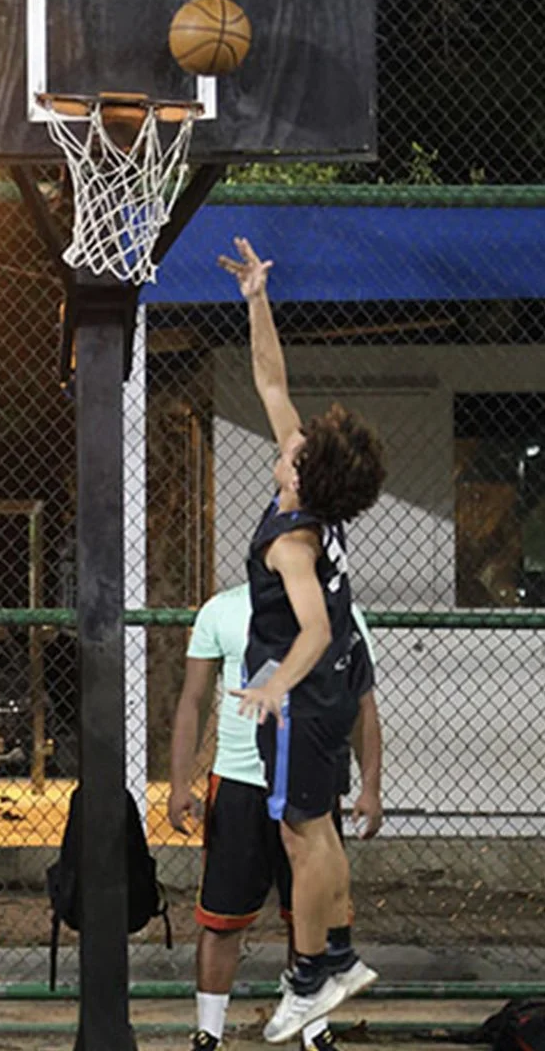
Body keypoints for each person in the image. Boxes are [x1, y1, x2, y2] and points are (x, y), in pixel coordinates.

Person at [218, 237, 387, 1044]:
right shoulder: (305, 495)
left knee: (300, 833)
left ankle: (308, 977)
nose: (287, 433)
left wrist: (274, 685)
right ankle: (343, 955)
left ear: (300, 473)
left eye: (296, 444)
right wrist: (256, 298)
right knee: (312, 829)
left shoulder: (291, 541)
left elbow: (315, 628)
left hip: (310, 691)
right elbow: (270, 379)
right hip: (329, 686)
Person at [168, 583, 385, 1051]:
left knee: (311, 912)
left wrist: (370, 787)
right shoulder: (222, 611)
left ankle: (312, 1029)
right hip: (238, 782)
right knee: (221, 918)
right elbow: (193, 699)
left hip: (311, 781)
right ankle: (209, 1032)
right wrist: (180, 783)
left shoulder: (338, 613)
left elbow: (363, 707)